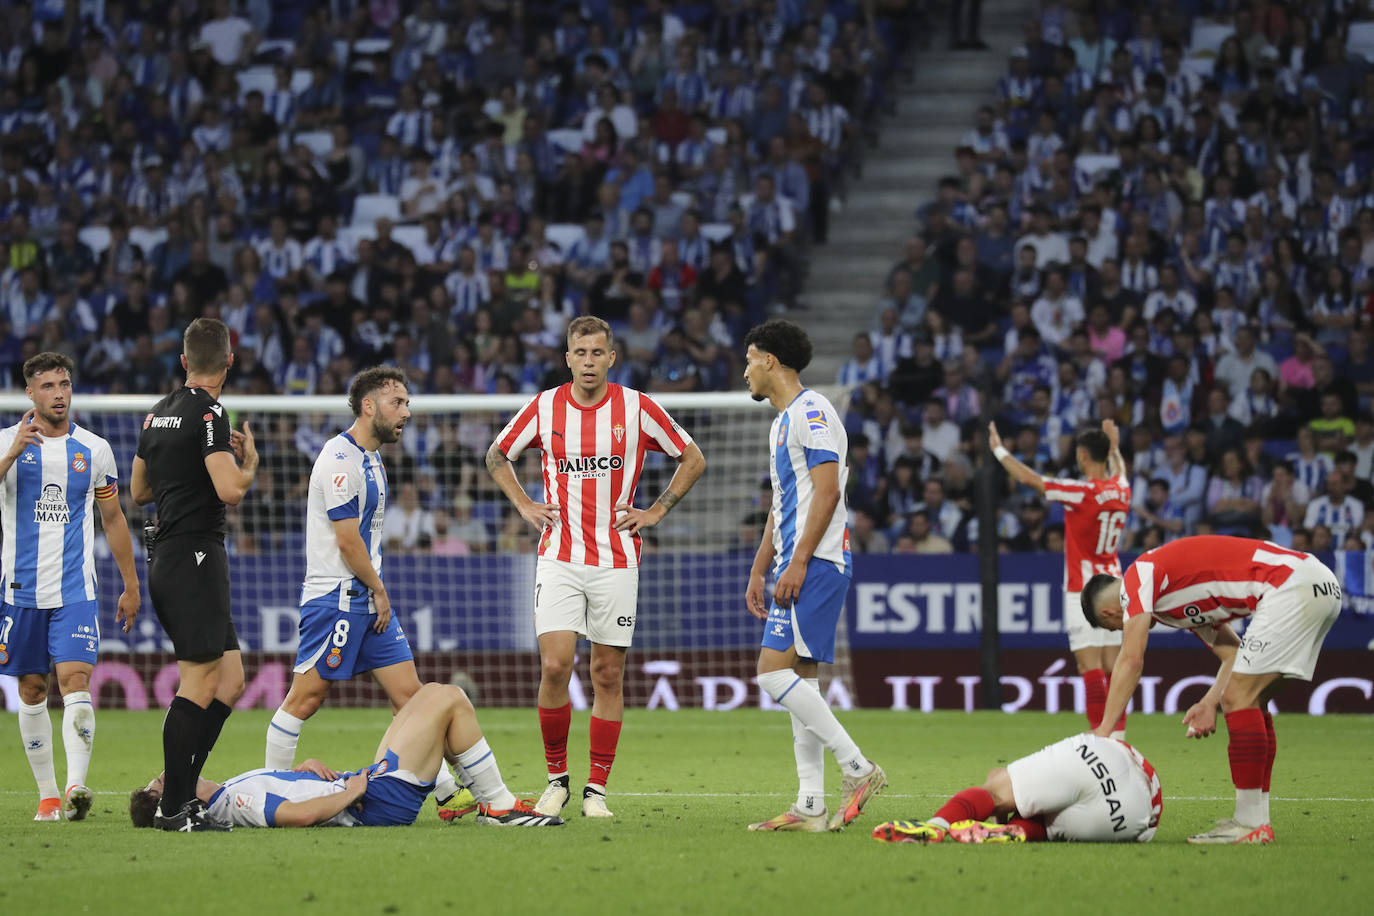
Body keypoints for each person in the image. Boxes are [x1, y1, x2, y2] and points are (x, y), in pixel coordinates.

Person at [486, 315, 706, 819]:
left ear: (612, 358)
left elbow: (692, 457)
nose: (588, 361)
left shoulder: (637, 407)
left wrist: (656, 510)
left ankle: (596, 791)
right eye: (579, 352)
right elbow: (497, 455)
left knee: (607, 673)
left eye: (597, 353)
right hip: (559, 554)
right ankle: (556, 779)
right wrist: (524, 506)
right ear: (568, 358)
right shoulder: (544, 407)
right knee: (556, 664)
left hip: (617, 558)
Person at [262, 367, 472, 821]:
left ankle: (450, 794)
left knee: (413, 698)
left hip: (368, 599)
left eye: (408, 402)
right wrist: (379, 589)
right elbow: (347, 541)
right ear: (369, 406)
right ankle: (270, 791)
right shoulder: (340, 460)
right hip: (337, 597)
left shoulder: (372, 457)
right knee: (305, 700)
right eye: (398, 403)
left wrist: (376, 591)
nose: (408, 412)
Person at [1081, 535, 1343, 845]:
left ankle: (1249, 824)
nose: (1124, 627)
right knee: (1251, 700)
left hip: (1289, 584)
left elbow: (1131, 659)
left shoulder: (1138, 576)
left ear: (1110, 615)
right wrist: (1209, 701)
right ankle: (1256, 820)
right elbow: (1232, 655)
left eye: (1116, 628)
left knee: (1239, 697)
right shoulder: (1173, 601)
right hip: (1319, 582)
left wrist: (1105, 729)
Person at [742, 319, 886, 832]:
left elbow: (828, 493)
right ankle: (810, 805)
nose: (745, 371)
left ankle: (858, 767)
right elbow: (784, 507)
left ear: (771, 362)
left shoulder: (814, 411)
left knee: (771, 673)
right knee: (800, 680)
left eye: (750, 359)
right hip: (796, 560)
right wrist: (761, 568)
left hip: (819, 562)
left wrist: (799, 560)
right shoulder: (782, 422)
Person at [0, 353, 141, 821]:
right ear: (29, 393)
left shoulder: (94, 449)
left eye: (64, 384)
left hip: (75, 590)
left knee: (75, 681)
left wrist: (130, 583)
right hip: (20, 592)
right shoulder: (6, 442)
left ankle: (77, 785)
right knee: (32, 689)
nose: (59, 393)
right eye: (47, 386)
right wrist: (11, 454)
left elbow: (114, 518)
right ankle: (48, 795)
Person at [131, 318, 258, 832]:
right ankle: (172, 808)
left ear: (184, 361)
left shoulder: (157, 413)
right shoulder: (211, 412)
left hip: (170, 555)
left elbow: (140, 490)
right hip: (194, 555)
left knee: (230, 680)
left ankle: (181, 790)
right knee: (200, 679)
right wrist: (247, 463)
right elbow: (230, 490)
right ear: (229, 361)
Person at [132, 683, 562, 829]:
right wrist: (348, 792)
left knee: (427, 697)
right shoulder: (231, 803)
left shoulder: (228, 791)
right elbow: (295, 817)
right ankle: (501, 807)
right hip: (374, 802)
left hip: (365, 789)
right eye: (161, 781)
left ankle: (483, 802)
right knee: (450, 699)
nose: (167, 774)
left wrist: (304, 774)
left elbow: (288, 798)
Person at [988, 419, 1131, 736]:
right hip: (1117, 586)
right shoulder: (1121, 488)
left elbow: (1029, 479)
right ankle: (1118, 738)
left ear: (1081, 456)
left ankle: (1101, 738)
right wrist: (1115, 446)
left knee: (1089, 667)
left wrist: (997, 449)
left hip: (1084, 590)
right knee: (1114, 667)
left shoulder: (1081, 491)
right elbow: (1120, 468)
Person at [872, 734, 1162, 844]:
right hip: (1134, 816)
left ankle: (935, 826)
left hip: (1102, 756)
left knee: (996, 789)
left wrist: (999, 809)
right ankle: (1019, 831)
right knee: (1050, 825)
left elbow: (998, 778)